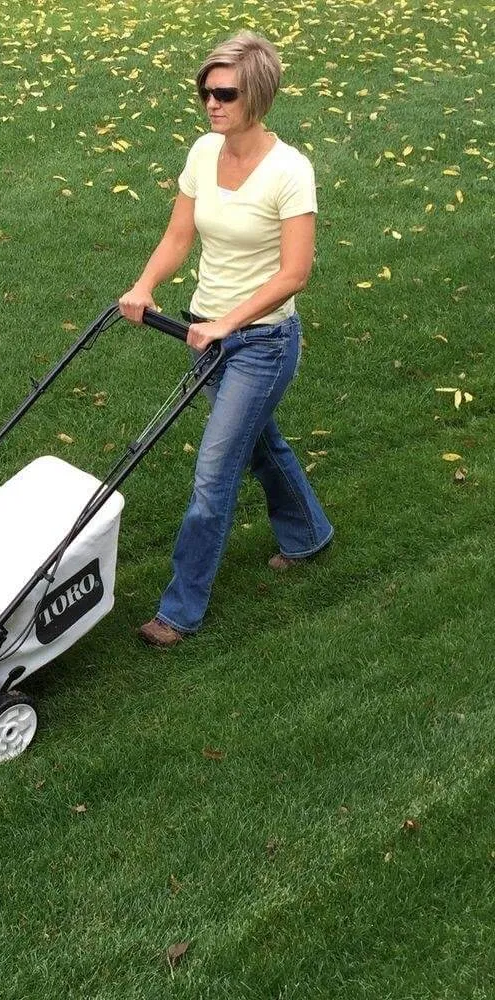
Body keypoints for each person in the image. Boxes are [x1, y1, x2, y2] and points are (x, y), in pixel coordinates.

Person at [118, 31, 334, 648]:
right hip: (204, 332)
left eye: (224, 93)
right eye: (204, 91)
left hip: (261, 344)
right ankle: (310, 534)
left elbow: (295, 272)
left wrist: (227, 323)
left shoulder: (291, 171)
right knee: (259, 446)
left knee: (214, 475)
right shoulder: (203, 153)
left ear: (256, 95)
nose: (210, 103)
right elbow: (179, 236)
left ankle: (179, 611)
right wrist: (145, 286)